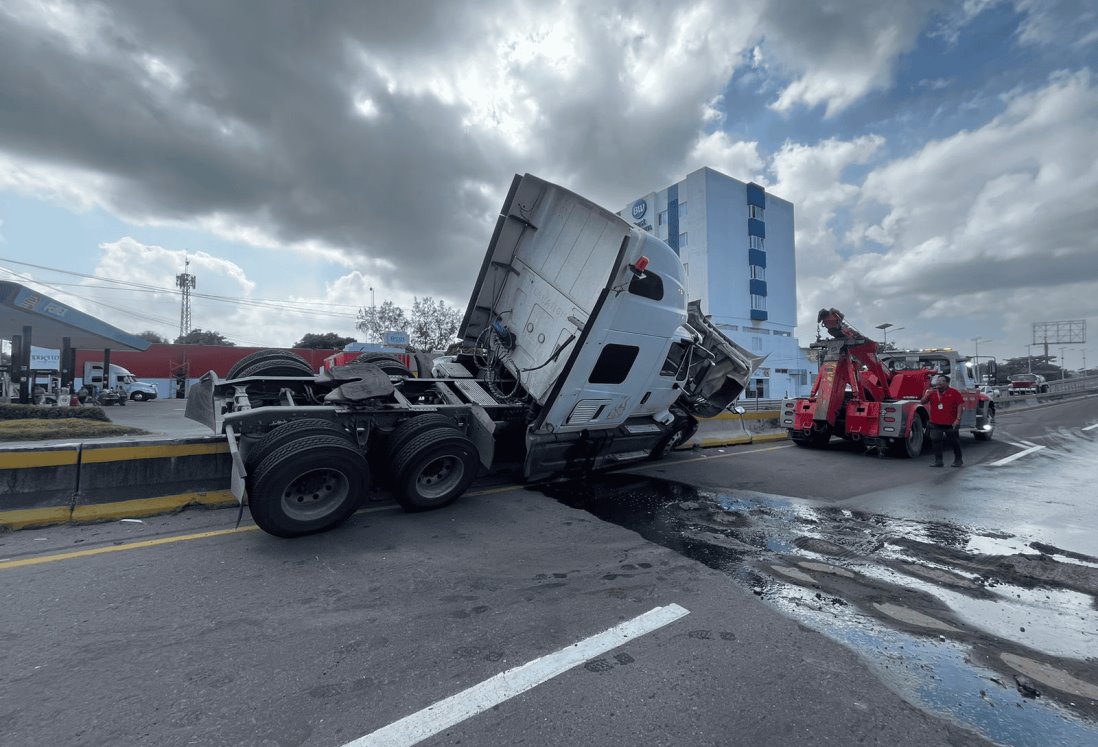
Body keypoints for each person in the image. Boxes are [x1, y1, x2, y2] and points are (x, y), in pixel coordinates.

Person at [921, 374, 964, 467]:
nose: (939, 382)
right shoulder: (932, 392)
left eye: (942, 381)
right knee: (936, 442)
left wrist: (958, 419)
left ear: (947, 383)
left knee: (954, 442)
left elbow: (960, 406)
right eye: (938, 380)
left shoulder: (954, 392)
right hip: (935, 423)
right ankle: (938, 461)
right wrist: (926, 394)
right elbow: (922, 402)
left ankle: (958, 460)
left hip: (951, 423)